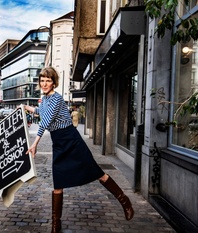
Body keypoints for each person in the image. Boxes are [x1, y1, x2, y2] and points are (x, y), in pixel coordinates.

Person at [23, 66, 134, 233]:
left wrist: (35, 143)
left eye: (48, 81)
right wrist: (25, 107)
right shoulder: (45, 99)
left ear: (54, 83)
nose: (44, 84)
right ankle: (56, 225)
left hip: (71, 140)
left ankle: (125, 201)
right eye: (42, 80)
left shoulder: (57, 99)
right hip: (59, 144)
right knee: (58, 183)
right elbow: (41, 111)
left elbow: (45, 121)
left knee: (98, 174)